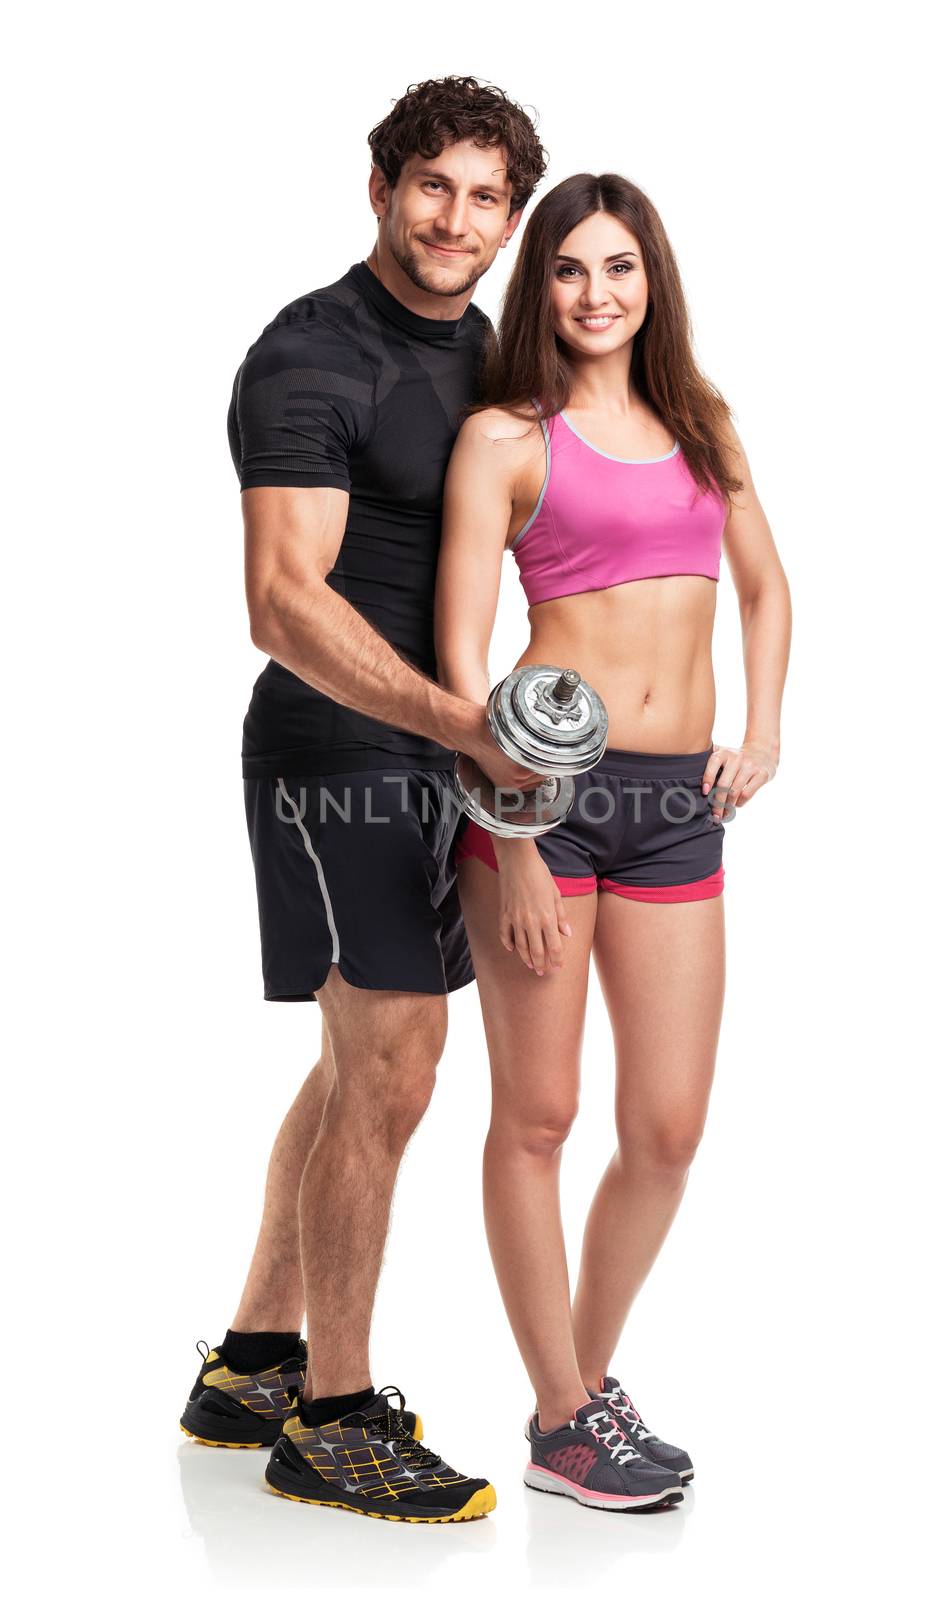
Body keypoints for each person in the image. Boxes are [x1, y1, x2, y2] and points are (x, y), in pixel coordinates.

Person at [178, 76, 548, 1524]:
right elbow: (282, 602)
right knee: (395, 1069)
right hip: (339, 752)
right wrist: (466, 724)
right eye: (432, 186)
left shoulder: (488, 357)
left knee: (355, 1067)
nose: (455, 220)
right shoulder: (312, 354)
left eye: (484, 198)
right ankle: (333, 1418)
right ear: (381, 185)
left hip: (431, 752)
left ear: (510, 219)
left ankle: (256, 1360)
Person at [435, 172, 792, 1512]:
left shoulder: (704, 426)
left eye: (621, 268)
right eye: (572, 270)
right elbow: (458, 659)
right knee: (538, 1116)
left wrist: (763, 729)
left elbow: (766, 588)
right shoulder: (505, 438)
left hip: (677, 811)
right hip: (545, 799)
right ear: (544, 287)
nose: (596, 294)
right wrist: (511, 838)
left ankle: (580, 1387)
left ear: (655, 279)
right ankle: (564, 1414)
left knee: (667, 1129)